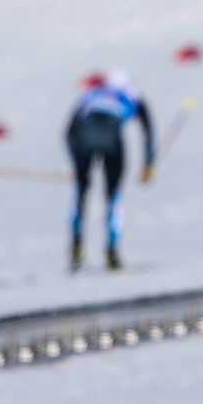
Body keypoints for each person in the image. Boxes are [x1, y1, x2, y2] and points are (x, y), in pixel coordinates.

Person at [66, 69, 154, 272]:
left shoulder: (91, 94)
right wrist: (147, 164)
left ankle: (76, 247)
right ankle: (111, 252)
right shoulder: (133, 96)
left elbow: (68, 133)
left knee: (80, 193)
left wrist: (77, 166)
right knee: (112, 196)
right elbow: (148, 133)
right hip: (112, 139)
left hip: (85, 140)